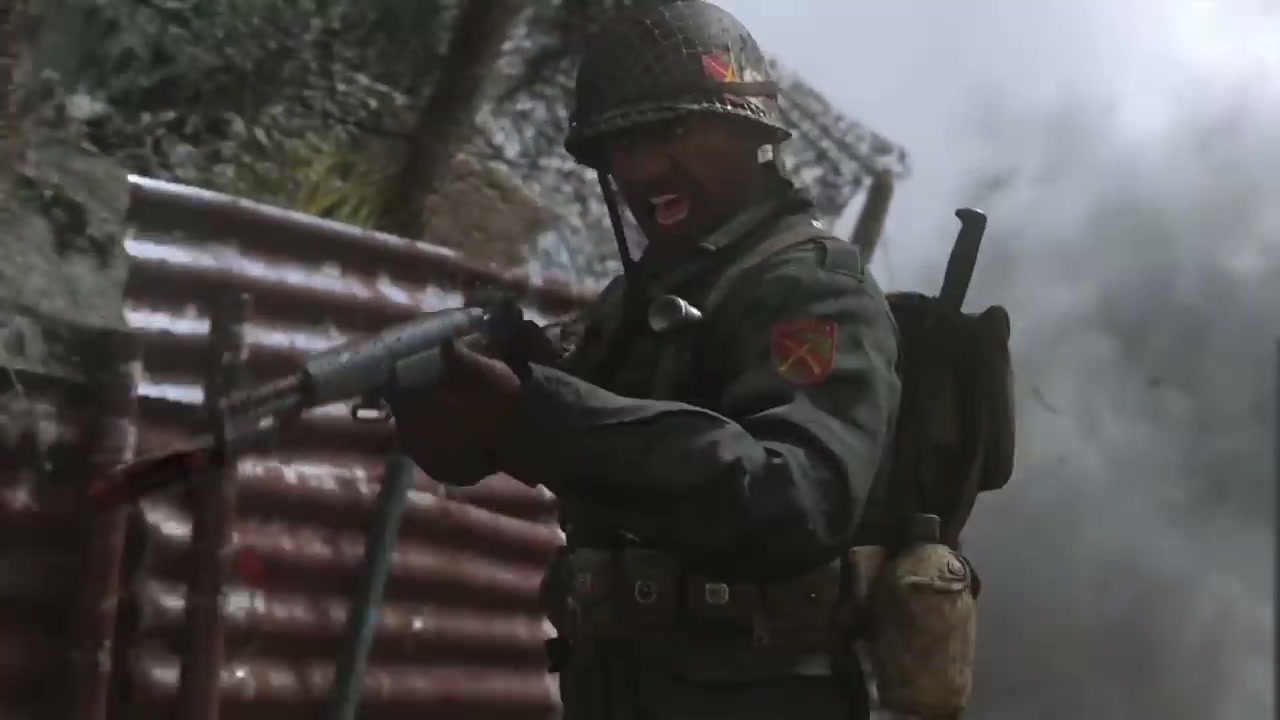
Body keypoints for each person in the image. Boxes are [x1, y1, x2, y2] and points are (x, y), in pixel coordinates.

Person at [390, 2, 902, 717]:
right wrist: (483, 409)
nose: (641, 167)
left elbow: (797, 500)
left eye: (672, 131)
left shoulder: (810, 291)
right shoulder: (643, 298)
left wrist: (540, 414)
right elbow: (588, 445)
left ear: (749, 134)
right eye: (621, 143)